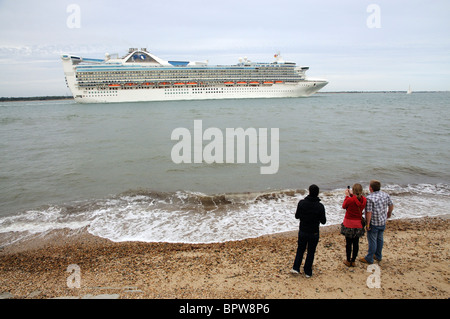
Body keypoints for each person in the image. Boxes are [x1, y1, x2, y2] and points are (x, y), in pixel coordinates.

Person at [291, 184, 326, 277]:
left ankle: (296, 268)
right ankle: (307, 271)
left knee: (300, 249)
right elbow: (323, 221)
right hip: (314, 232)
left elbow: (296, 216)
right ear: (317, 194)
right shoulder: (320, 206)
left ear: (309, 192)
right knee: (311, 251)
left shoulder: (302, 203)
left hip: (303, 230)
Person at [360, 180, 394, 264]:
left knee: (372, 240)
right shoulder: (385, 195)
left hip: (374, 223)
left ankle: (369, 258)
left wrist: (367, 224)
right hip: (382, 221)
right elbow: (391, 205)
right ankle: (378, 255)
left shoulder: (370, 198)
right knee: (380, 239)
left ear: (370, 188)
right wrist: (389, 213)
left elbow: (369, 212)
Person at [340, 183, 367, 267]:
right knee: (356, 243)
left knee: (348, 243)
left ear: (353, 190)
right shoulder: (364, 200)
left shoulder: (350, 200)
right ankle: (353, 260)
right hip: (358, 224)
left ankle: (348, 260)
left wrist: (347, 196)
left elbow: (344, 206)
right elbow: (357, 200)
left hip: (349, 224)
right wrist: (351, 194)